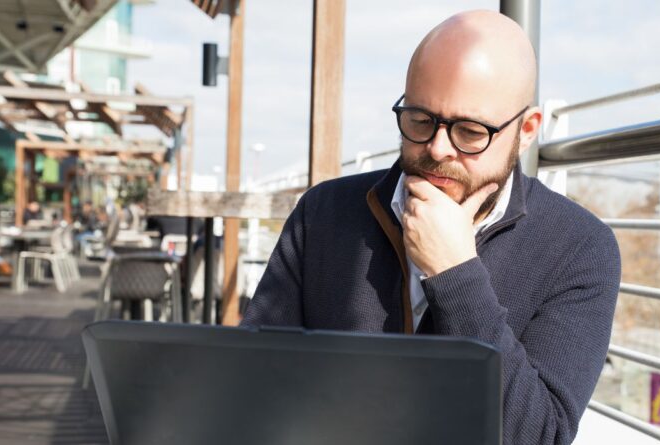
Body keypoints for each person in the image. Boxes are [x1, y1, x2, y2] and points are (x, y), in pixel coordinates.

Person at [242, 10, 621, 445]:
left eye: (470, 131)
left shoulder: (580, 248)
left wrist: (456, 273)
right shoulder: (325, 212)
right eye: (420, 120)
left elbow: (538, 435)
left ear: (527, 129)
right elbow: (255, 385)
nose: (438, 148)